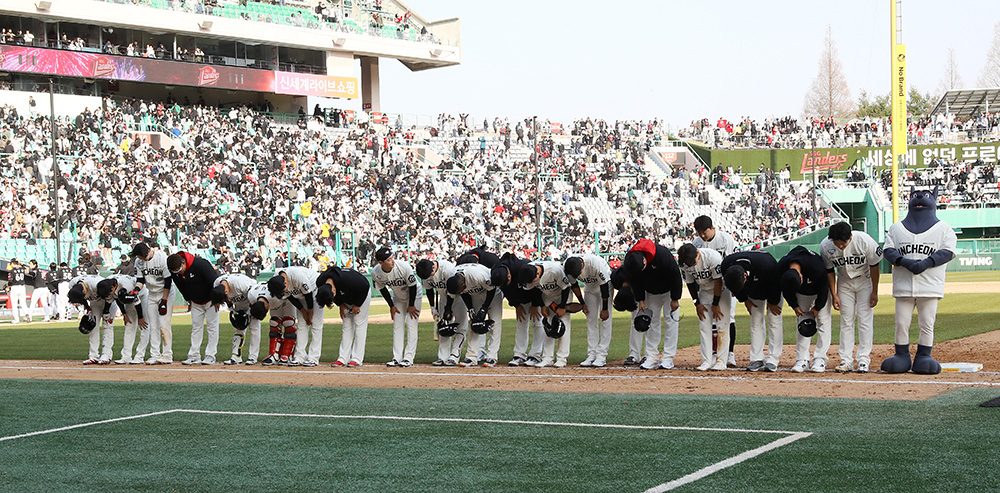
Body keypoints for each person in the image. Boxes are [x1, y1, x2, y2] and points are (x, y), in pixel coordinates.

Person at [881, 187, 957, 374]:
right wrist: (904, 261)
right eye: (915, 196)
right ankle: (901, 355)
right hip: (904, 286)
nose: (920, 199)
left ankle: (924, 356)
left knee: (927, 324)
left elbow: (948, 252)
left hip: (930, 285)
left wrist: (927, 262)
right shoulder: (896, 228)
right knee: (901, 323)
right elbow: (888, 250)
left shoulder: (943, 228)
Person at [821, 222, 882, 373]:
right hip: (844, 282)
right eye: (837, 243)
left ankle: (863, 359)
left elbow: (875, 266)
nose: (840, 246)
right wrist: (834, 294)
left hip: (864, 281)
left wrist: (875, 291)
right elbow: (829, 271)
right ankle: (846, 360)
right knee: (846, 321)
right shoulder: (826, 246)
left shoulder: (864, 241)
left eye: (843, 243)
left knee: (865, 320)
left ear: (850, 237)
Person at [622, 239, 683, 370]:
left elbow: (675, 275)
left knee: (671, 322)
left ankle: (668, 358)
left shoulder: (662, 254)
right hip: (650, 292)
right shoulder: (631, 260)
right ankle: (651, 357)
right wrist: (641, 300)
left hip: (668, 291)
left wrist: (675, 299)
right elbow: (634, 280)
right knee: (651, 323)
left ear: (645, 261)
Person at [722, 251, 783, 372]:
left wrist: (773, 301)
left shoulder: (765, 265)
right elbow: (733, 286)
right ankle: (756, 359)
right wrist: (744, 300)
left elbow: (776, 283)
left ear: (745, 276)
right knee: (756, 321)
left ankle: (773, 359)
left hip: (771, 287)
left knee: (774, 319)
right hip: (752, 292)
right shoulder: (726, 265)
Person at [692, 215, 739, 367]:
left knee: (728, 319)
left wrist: (733, 286)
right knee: (709, 321)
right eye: (699, 232)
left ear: (712, 228)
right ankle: (713, 354)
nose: (702, 236)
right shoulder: (697, 243)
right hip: (707, 285)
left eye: (704, 232)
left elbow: (733, 261)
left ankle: (729, 354)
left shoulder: (726, 239)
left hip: (725, 284)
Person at [677, 244, 732, 371]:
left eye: (693, 262)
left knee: (722, 326)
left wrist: (716, 304)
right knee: (704, 326)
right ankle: (706, 361)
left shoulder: (712, 257)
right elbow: (690, 284)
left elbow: (718, 281)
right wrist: (697, 304)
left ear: (698, 253)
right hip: (704, 292)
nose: (692, 265)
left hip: (721, 291)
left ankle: (721, 361)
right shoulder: (685, 263)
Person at [778, 245, 831, 373]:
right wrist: (795, 306)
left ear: (801, 276)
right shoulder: (781, 267)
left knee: (823, 321)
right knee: (803, 322)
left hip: (819, 289)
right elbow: (786, 290)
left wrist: (818, 307)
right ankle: (802, 359)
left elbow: (824, 287)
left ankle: (820, 358)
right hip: (801, 294)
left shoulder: (816, 266)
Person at [490, 253, 543, 367]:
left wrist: (535, 304)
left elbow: (537, 285)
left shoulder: (522, 267)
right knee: (521, 322)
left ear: (509, 275)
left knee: (537, 323)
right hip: (520, 299)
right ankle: (519, 355)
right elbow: (506, 290)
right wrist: (516, 305)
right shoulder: (496, 271)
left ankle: (535, 355)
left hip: (535, 294)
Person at [370, 247, 421, 367]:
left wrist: (411, 305)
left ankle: (408, 358)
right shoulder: (376, 272)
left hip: (414, 295)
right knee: (397, 325)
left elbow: (413, 286)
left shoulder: (403, 267)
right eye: (389, 260)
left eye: (392, 257)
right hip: (398, 297)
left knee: (411, 324)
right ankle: (396, 357)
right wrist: (391, 306)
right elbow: (382, 289)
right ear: (381, 263)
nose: (392, 261)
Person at [167, 251, 220, 365]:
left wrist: (217, 299)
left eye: (180, 269)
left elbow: (214, 281)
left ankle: (210, 355)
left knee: (212, 328)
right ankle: (194, 355)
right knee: (196, 328)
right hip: (195, 302)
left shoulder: (201, 264)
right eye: (176, 271)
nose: (179, 272)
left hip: (210, 301)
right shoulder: (174, 270)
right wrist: (188, 299)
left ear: (183, 262)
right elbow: (180, 286)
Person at [445, 262, 503, 367]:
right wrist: (471, 310)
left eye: (460, 290)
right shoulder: (453, 277)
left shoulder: (477, 275)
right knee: (475, 323)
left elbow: (492, 289)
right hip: (475, 295)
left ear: (463, 283)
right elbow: (464, 294)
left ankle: (492, 356)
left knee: (494, 323)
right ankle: (471, 356)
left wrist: (484, 309)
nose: (460, 292)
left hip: (492, 293)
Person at [519, 260, 572, 368]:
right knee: (548, 324)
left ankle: (562, 359)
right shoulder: (527, 271)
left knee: (563, 324)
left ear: (537, 274)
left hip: (562, 295)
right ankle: (547, 358)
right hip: (547, 297)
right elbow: (534, 291)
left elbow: (566, 288)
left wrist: (562, 306)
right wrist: (542, 305)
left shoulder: (554, 271)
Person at [315, 265, 371, 367]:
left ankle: (356, 358)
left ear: (333, 290)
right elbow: (334, 297)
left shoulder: (347, 280)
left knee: (359, 324)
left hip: (361, 293)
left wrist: (358, 305)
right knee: (346, 326)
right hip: (345, 296)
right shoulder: (320, 282)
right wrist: (340, 304)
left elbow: (365, 286)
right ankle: (343, 358)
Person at [563, 254, 612, 367]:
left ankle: (602, 355)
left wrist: (605, 309)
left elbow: (604, 287)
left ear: (582, 264)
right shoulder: (568, 265)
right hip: (589, 289)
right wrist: (582, 303)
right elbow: (574, 285)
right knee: (591, 320)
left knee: (605, 321)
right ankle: (592, 354)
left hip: (605, 287)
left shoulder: (595, 264)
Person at [267, 265, 323, 366]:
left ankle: (313, 358)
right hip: (299, 295)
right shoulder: (276, 281)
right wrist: (303, 311)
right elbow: (291, 297)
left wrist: (309, 312)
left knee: (315, 324)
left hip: (315, 291)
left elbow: (308, 294)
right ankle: (300, 356)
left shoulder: (297, 276)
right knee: (301, 324)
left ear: (286, 282)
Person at [416, 258, 467, 366]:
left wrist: (448, 309)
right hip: (444, 298)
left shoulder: (448, 269)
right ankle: (443, 357)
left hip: (459, 297)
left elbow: (453, 290)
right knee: (443, 326)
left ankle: (454, 356)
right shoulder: (426, 271)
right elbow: (429, 289)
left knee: (461, 326)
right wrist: (432, 307)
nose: (429, 278)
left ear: (433, 267)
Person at [132, 242, 175, 365]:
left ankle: (167, 355)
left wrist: (164, 300)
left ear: (147, 252)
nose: (140, 259)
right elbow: (140, 280)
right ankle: (155, 355)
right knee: (153, 325)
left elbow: (168, 281)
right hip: (152, 293)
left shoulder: (162, 258)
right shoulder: (139, 262)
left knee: (164, 324)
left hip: (165, 292)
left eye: (141, 257)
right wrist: (136, 290)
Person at [97, 275, 149, 365]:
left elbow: (136, 300)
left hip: (142, 296)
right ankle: (126, 357)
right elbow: (117, 298)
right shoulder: (109, 284)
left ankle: (139, 356)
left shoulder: (126, 284)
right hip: (127, 298)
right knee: (129, 325)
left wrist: (141, 317)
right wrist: (124, 313)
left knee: (144, 326)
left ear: (113, 287)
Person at [211, 273, 262, 365]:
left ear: (226, 290)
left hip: (253, 301)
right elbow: (226, 299)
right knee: (239, 329)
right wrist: (233, 310)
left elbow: (254, 294)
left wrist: (249, 312)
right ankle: (236, 357)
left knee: (254, 328)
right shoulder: (217, 285)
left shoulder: (240, 283)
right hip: (239, 305)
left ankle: (253, 357)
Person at [67, 274, 117, 364]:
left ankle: (106, 355)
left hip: (109, 302)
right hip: (95, 303)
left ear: (83, 290)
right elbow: (81, 298)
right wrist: (87, 307)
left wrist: (106, 311)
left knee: (107, 326)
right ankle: (93, 356)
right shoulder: (72, 284)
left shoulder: (95, 284)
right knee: (93, 326)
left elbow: (109, 296)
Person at [5, 259, 29, 323]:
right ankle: (27, 314)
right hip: (22, 287)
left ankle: (16, 319)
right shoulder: (22, 269)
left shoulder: (11, 271)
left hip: (14, 287)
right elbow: (27, 269)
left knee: (14, 304)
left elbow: (10, 280)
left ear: (12, 263)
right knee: (23, 303)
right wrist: (21, 263)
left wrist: (8, 287)